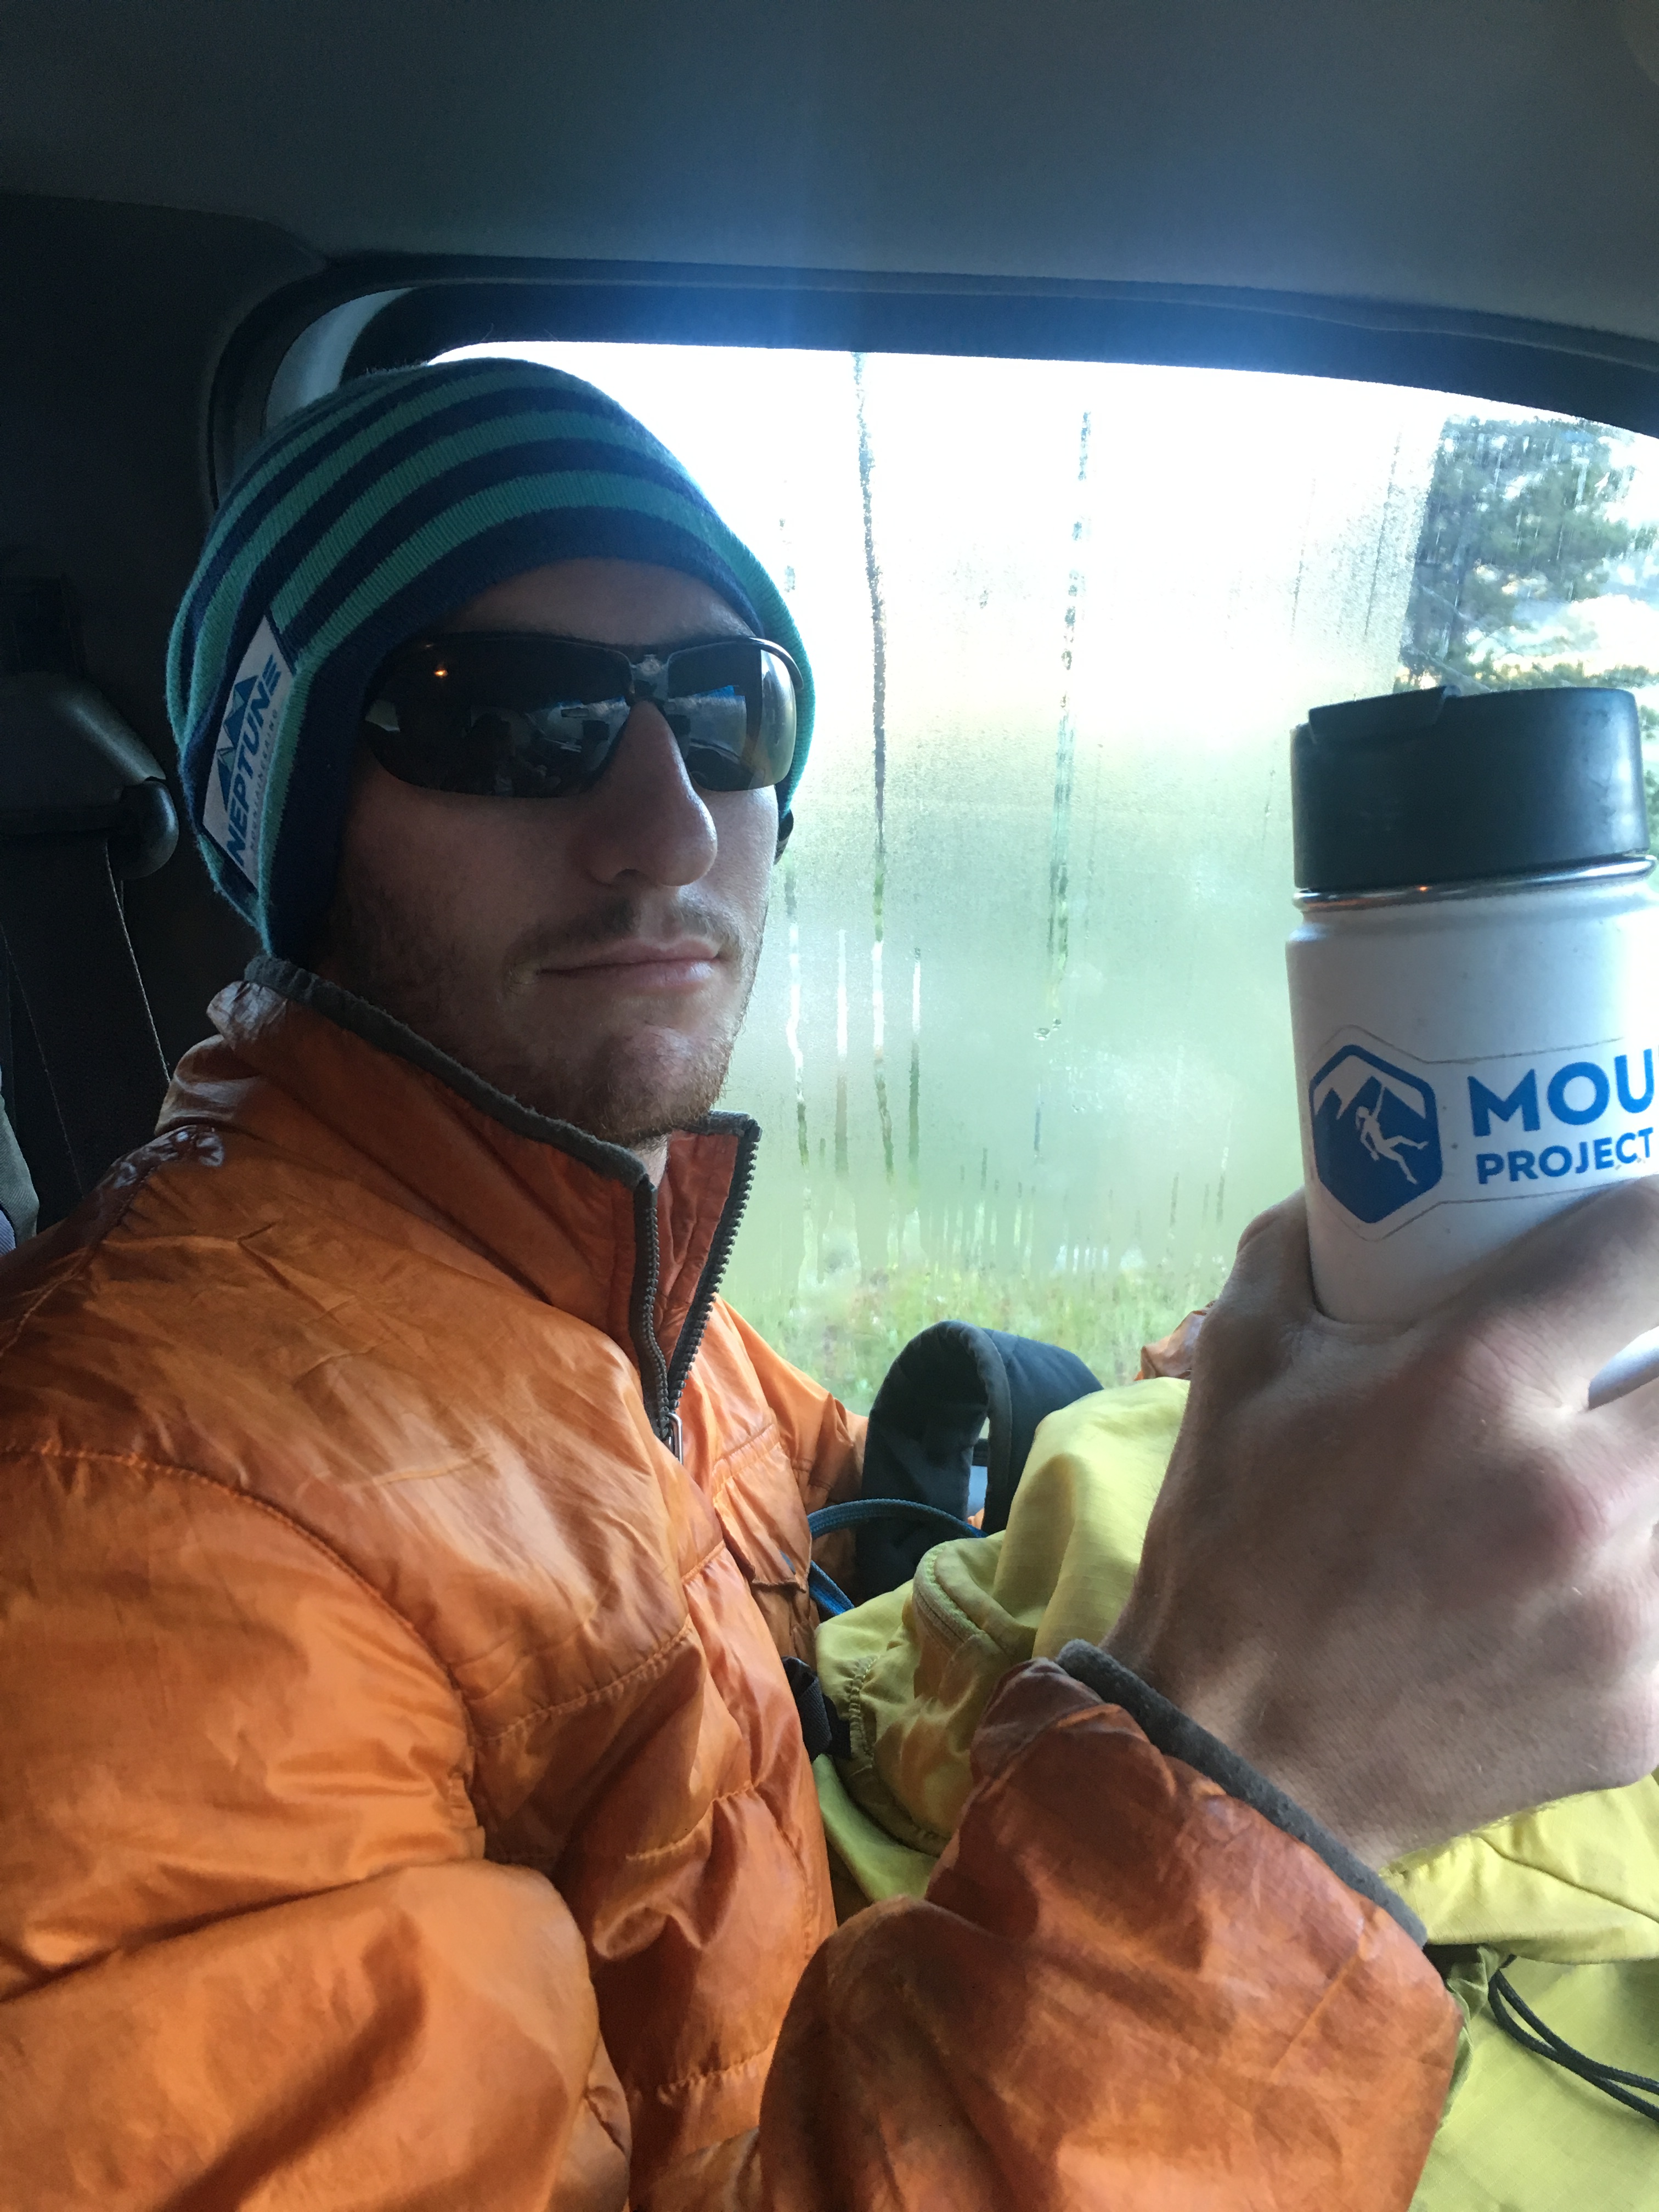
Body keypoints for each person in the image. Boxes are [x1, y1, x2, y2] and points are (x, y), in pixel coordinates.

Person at [0, 357, 1655, 2210]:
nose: (666, 821)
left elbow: (807, 1535)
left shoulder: (566, 1290)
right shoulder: (126, 1546)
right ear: (288, 830)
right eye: (509, 726)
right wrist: (1264, 1805)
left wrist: (1197, 1441)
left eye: (727, 712)